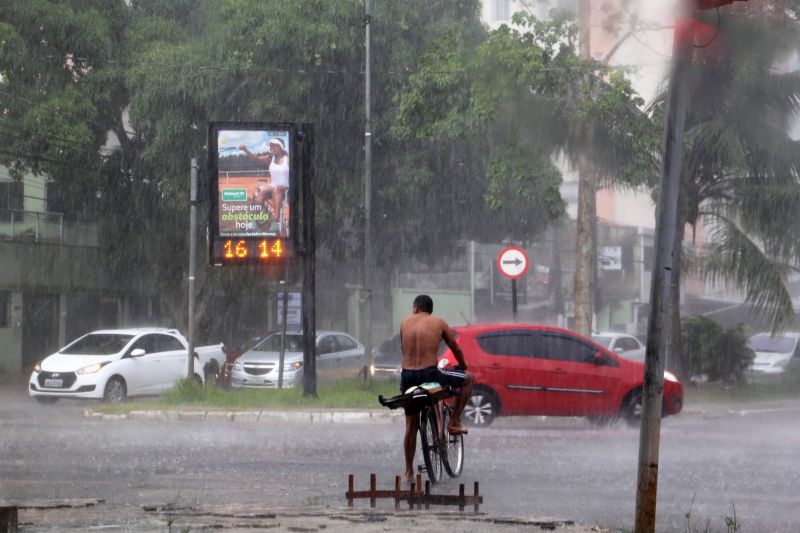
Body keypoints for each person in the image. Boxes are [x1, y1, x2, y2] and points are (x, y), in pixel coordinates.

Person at [399, 294, 474, 482]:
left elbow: (404, 350)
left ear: (415, 308)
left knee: (411, 425)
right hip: (430, 374)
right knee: (469, 379)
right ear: (430, 310)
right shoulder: (438, 322)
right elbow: (454, 347)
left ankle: (408, 472)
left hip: (407, 376)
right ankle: (454, 421)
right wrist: (462, 364)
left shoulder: (405, 322)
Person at [239, 138, 290, 223]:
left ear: (280, 146)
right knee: (261, 189)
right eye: (270, 146)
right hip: (273, 187)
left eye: (273, 145)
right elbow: (256, 158)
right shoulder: (270, 159)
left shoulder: (288, 159)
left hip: (286, 187)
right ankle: (254, 218)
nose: (271, 148)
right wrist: (245, 150)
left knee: (276, 188)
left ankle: (276, 219)